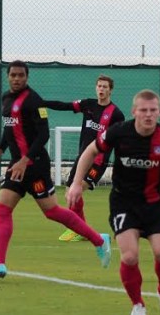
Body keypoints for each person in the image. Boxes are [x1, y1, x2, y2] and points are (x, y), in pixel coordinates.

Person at [0, 60, 111, 279]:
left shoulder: (33, 101)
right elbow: (9, 129)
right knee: (2, 209)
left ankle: (100, 240)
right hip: (17, 164)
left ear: (27, 77)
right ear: (8, 76)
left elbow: (43, 135)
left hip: (35, 164)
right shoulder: (6, 98)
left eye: (21, 75)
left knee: (52, 212)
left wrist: (25, 159)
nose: (16, 78)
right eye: (13, 75)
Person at [67, 89, 160, 315]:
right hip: (124, 203)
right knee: (130, 256)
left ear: (159, 112)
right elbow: (90, 151)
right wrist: (76, 183)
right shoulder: (119, 132)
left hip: (156, 204)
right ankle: (138, 304)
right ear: (134, 111)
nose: (148, 115)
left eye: (153, 110)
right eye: (143, 110)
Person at [41, 75, 125, 242]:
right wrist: (43, 103)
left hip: (98, 162)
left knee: (74, 193)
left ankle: (78, 230)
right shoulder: (88, 105)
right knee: (70, 192)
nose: (101, 89)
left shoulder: (116, 114)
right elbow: (64, 105)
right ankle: (81, 230)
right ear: (96, 88)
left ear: (110, 90)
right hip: (82, 159)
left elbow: (119, 140)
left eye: (105, 87)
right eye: (99, 86)